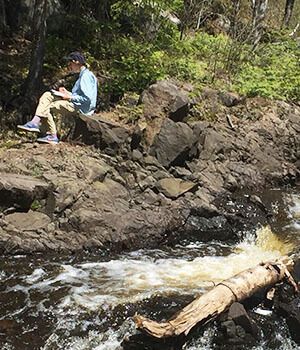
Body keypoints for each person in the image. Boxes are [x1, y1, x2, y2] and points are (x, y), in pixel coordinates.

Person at [18, 52, 98, 144]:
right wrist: (67, 93)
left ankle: (51, 135)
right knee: (47, 95)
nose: (69, 66)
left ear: (77, 62)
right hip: (76, 103)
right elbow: (81, 95)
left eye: (70, 63)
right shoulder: (84, 75)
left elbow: (86, 98)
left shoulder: (85, 76)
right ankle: (35, 122)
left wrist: (69, 97)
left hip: (80, 108)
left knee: (48, 107)